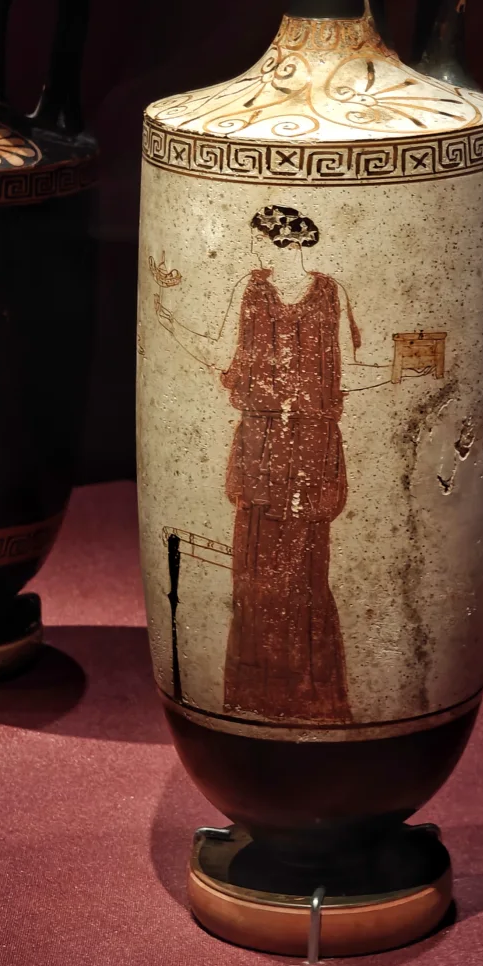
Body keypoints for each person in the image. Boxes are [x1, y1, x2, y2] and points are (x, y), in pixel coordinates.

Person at [153, 204, 401, 724]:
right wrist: (170, 321)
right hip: (261, 445)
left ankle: (313, 700)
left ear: (287, 243)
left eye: (259, 241)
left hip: (312, 446)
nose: (252, 250)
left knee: (307, 575)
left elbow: (348, 372)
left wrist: (404, 369)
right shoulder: (250, 288)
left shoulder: (330, 292)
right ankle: (255, 699)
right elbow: (222, 354)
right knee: (255, 572)